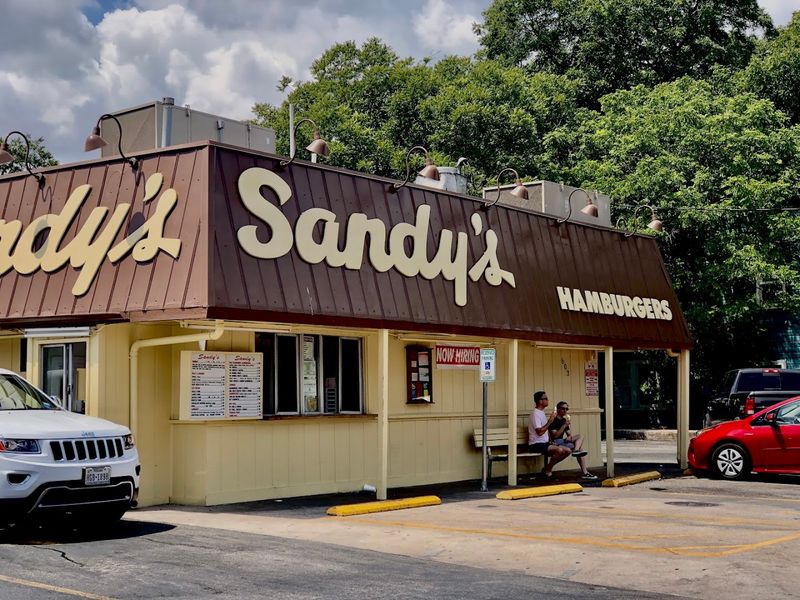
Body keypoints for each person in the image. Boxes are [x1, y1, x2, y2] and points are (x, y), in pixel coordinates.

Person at [549, 401, 598, 480]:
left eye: (566, 409)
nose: (565, 410)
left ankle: (576, 452)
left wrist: (569, 436)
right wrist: (564, 425)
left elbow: (569, 434)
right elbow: (555, 436)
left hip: (562, 441)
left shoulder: (564, 420)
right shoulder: (553, 420)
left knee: (580, 437)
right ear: (558, 409)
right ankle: (584, 470)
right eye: (563, 409)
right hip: (555, 442)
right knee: (580, 449)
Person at [528, 391, 571, 479]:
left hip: (545, 443)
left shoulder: (541, 412)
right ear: (540, 401)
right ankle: (548, 469)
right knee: (559, 450)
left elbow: (545, 431)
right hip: (536, 444)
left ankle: (547, 468)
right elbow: (539, 432)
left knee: (568, 450)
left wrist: (551, 441)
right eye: (546, 399)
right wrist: (550, 421)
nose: (548, 400)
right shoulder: (535, 414)